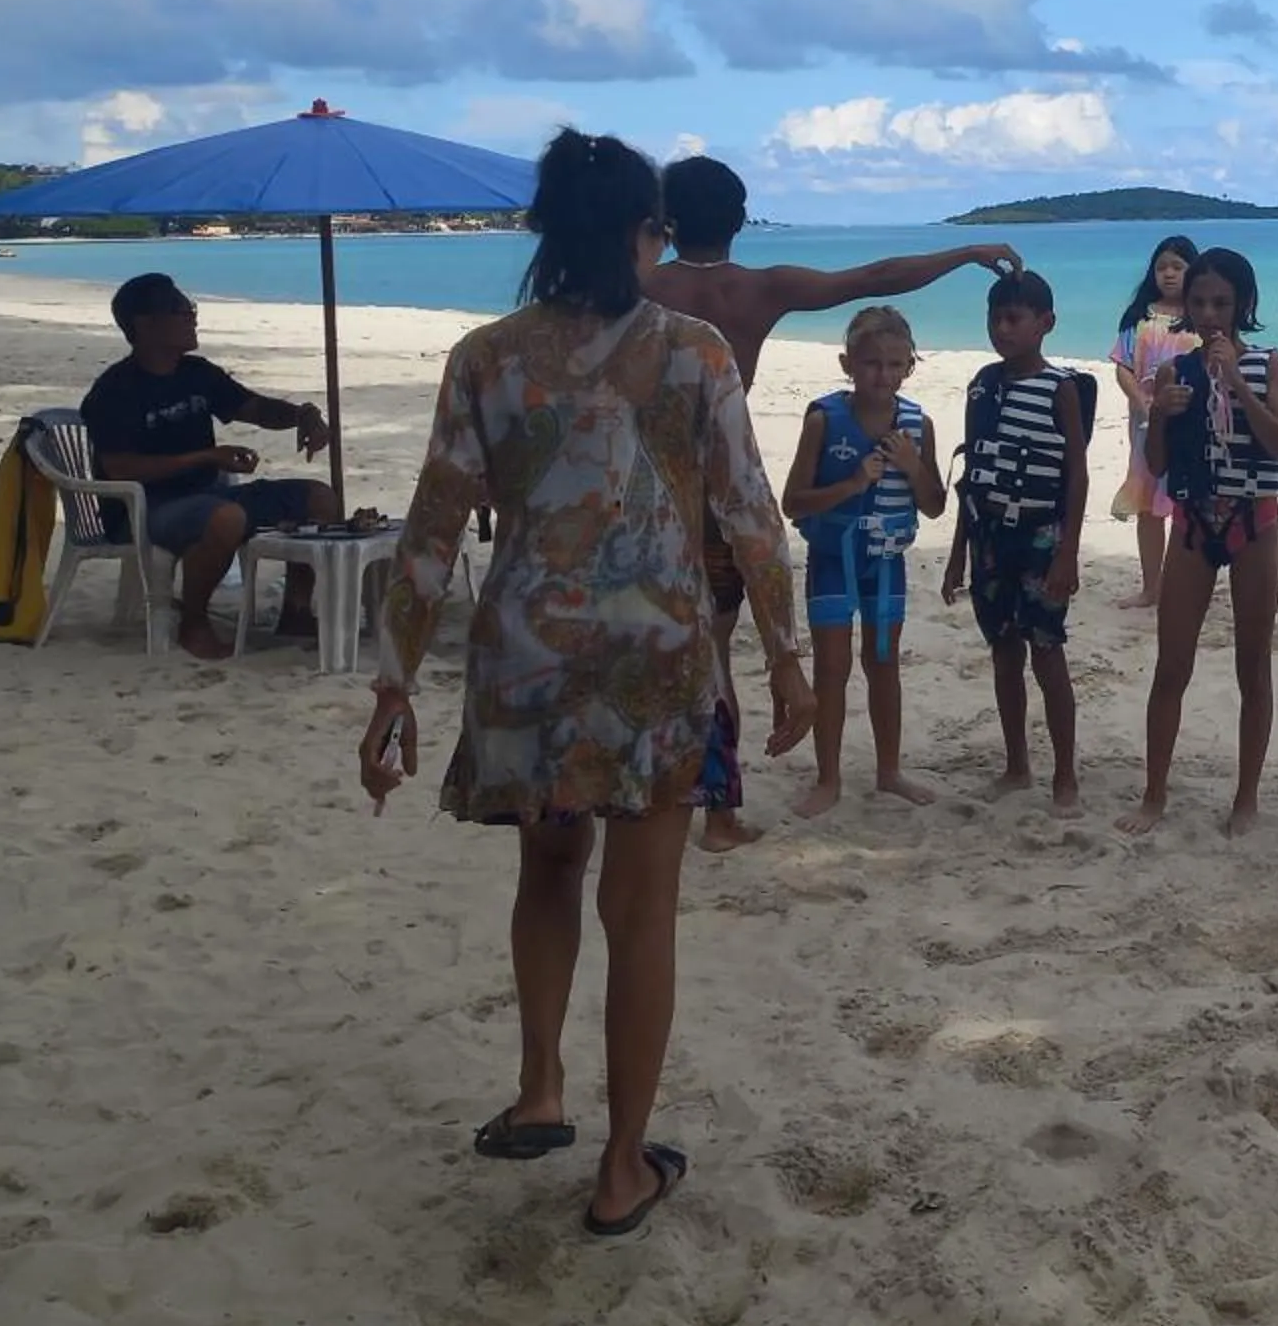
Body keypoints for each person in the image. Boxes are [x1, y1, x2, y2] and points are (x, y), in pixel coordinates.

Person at [359, 130, 811, 1240]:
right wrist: (787, 654)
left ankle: (539, 1087)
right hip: (658, 657)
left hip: (527, 658)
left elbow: (433, 528)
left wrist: (392, 684)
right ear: (644, 230)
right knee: (642, 910)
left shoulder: (487, 357)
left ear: (542, 229)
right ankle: (620, 1169)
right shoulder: (697, 352)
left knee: (548, 869)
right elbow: (751, 515)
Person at [643, 154, 1017, 852]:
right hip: (714, 488)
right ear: (739, 219)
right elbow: (874, 279)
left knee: (649, 648)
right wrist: (968, 251)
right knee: (715, 650)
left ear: (664, 223)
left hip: (636, 490)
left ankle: (649, 794)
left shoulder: (639, 285)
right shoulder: (759, 289)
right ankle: (718, 815)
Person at [1120, 248, 1278, 839]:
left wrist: (1241, 391)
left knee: (1254, 664)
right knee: (1172, 664)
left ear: (1243, 305)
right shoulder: (1176, 373)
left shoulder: (1269, 364)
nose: (1210, 314)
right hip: (1194, 524)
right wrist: (1161, 417)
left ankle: (1246, 797)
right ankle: (1154, 793)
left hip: (1255, 524)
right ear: (1186, 308)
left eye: (1221, 303)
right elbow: (1159, 466)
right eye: (1199, 303)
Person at [83, 273, 337, 662]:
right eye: (181, 311)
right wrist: (205, 457)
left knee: (319, 500)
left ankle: (297, 610)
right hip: (143, 508)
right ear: (145, 324)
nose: (192, 318)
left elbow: (255, 408)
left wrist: (303, 414)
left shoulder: (197, 374)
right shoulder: (115, 391)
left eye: (192, 309)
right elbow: (120, 469)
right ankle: (194, 622)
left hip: (207, 497)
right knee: (225, 518)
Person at [779, 307, 943, 816]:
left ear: (910, 367)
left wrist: (913, 467)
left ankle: (888, 770)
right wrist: (852, 483)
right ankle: (828, 779)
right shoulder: (824, 419)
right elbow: (793, 502)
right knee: (831, 668)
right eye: (872, 364)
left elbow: (935, 504)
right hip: (833, 557)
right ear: (847, 364)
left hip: (887, 561)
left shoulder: (918, 424)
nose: (884, 375)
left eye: (896, 365)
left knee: (884, 663)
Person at [943, 270, 1090, 816]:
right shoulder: (982, 385)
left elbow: (1077, 474)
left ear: (1045, 324)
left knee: (1047, 653)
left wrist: (1068, 551)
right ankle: (1016, 764)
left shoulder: (1062, 389)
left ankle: (1066, 775)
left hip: (1041, 537)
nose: (1001, 329)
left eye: (1013, 318)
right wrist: (958, 552)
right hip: (988, 537)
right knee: (1004, 654)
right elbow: (973, 471)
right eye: (994, 318)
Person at [1108, 238, 1199, 609]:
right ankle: (1152, 587)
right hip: (1145, 425)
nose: (1169, 273)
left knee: (1185, 504)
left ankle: (1185, 584)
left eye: (1177, 266)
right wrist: (1141, 402)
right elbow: (1123, 366)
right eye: (1162, 267)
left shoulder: (1199, 317)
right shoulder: (1139, 318)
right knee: (1148, 503)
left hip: (1189, 425)